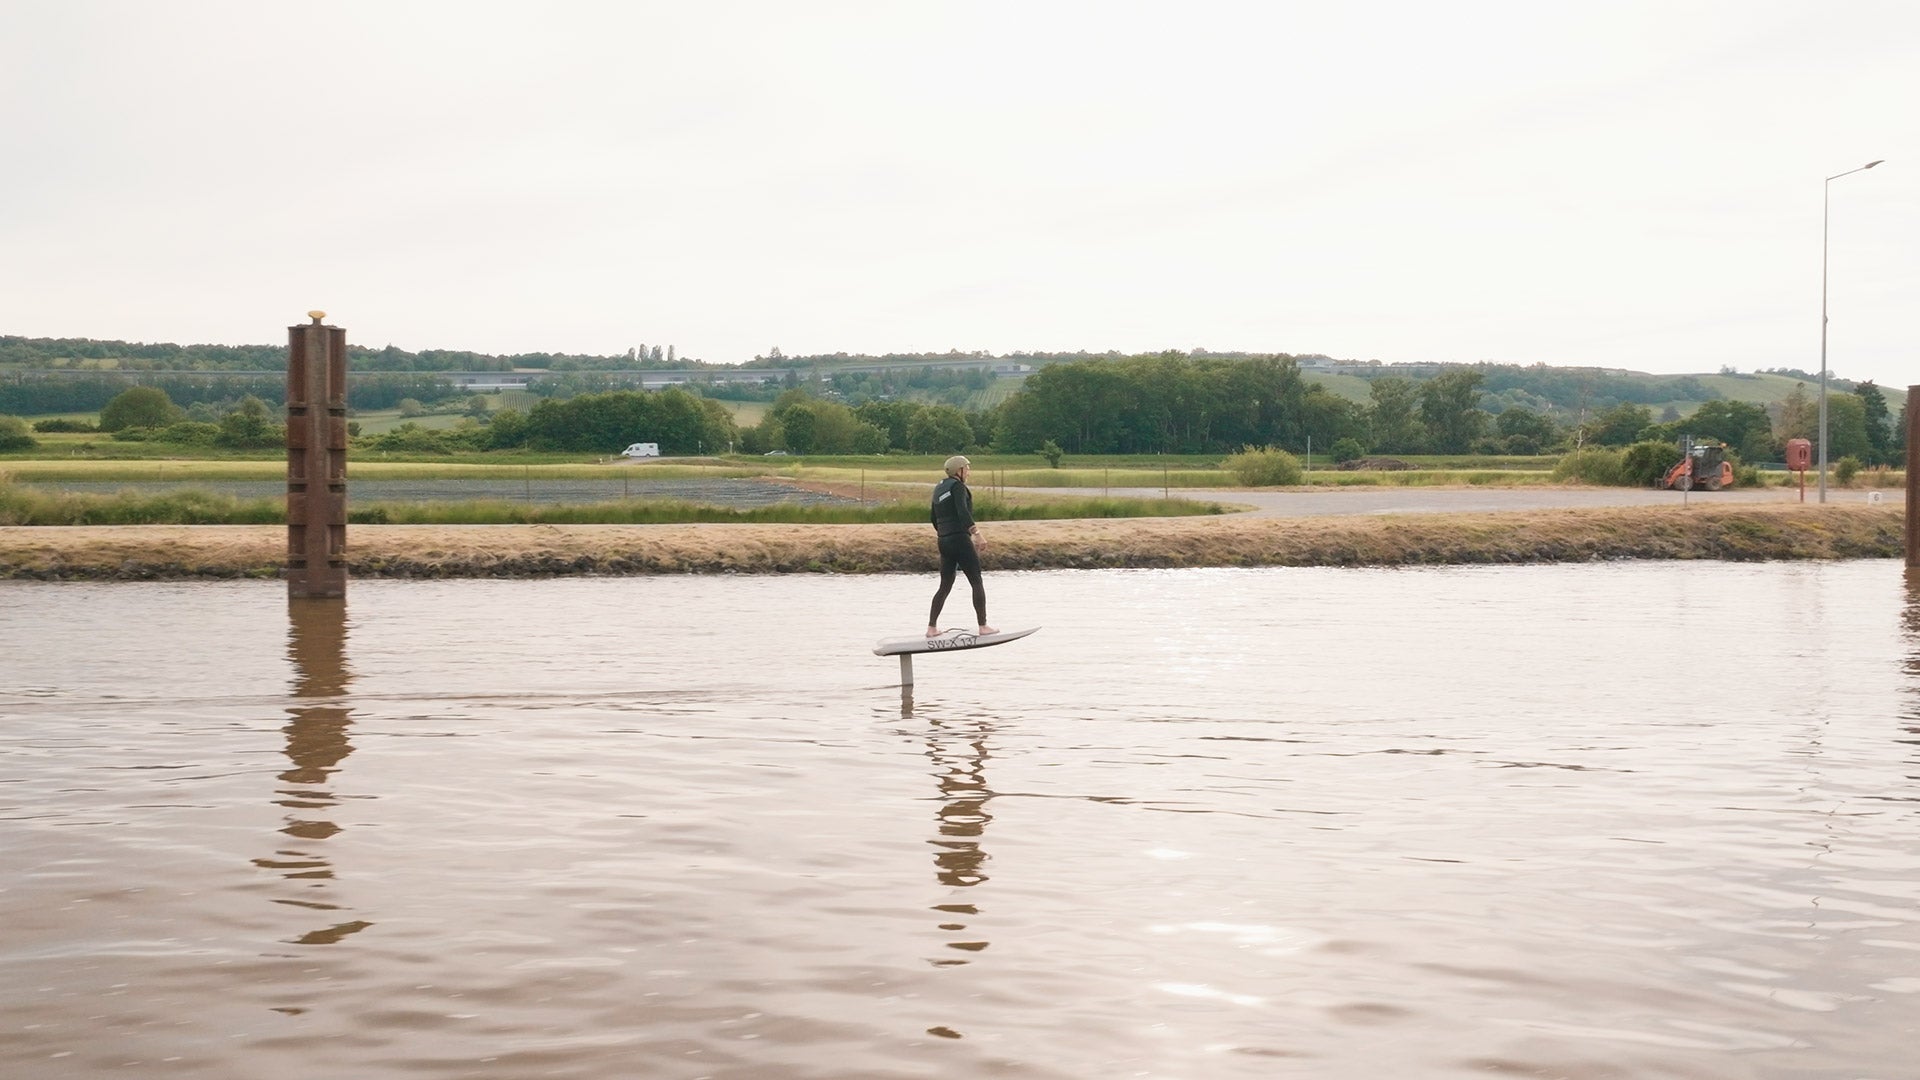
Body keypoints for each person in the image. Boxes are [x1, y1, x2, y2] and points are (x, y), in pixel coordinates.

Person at [927, 455, 996, 637]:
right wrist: (977, 534)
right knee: (976, 581)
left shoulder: (939, 488)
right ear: (959, 471)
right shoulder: (958, 487)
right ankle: (983, 626)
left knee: (945, 585)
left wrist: (945, 534)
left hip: (943, 540)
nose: (969, 472)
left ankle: (931, 628)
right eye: (967, 468)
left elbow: (934, 518)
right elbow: (963, 512)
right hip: (960, 539)